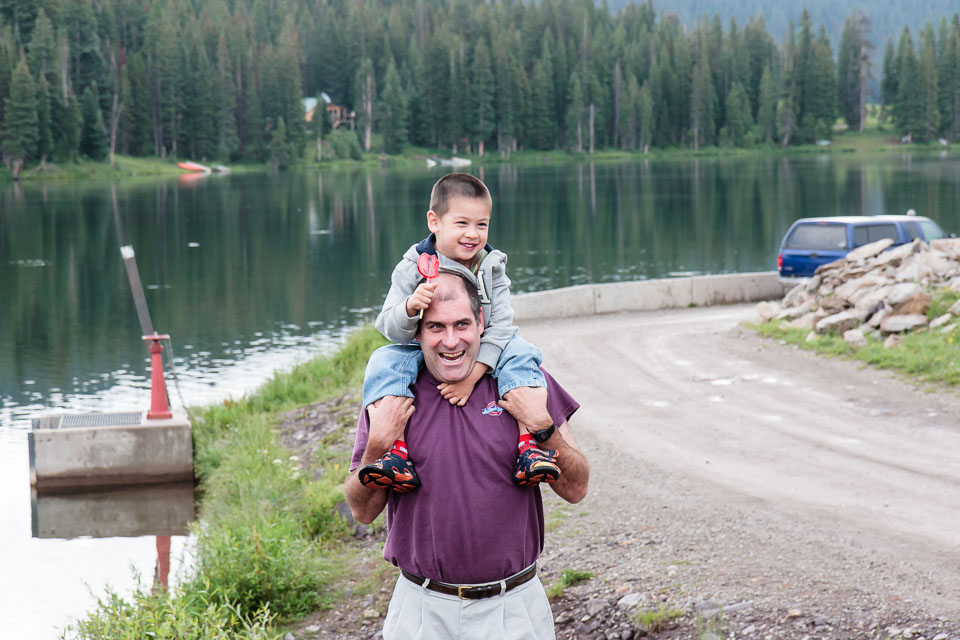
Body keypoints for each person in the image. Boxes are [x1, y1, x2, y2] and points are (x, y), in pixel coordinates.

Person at [345, 271, 589, 639]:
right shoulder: (393, 393)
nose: (451, 340)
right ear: (417, 332)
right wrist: (378, 445)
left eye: (461, 324)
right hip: (422, 610)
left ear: (481, 322)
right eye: (436, 327)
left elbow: (576, 488)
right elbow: (362, 512)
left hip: (514, 607)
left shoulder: (522, 379)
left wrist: (543, 426)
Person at [358, 173, 559, 492]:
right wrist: (409, 307)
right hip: (423, 348)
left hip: (484, 346)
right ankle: (396, 453)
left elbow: (501, 326)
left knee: (523, 353)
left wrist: (473, 376)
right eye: (462, 223)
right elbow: (389, 329)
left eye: (482, 224)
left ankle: (528, 448)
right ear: (434, 221)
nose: (472, 234)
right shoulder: (414, 266)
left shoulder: (491, 266)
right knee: (384, 361)